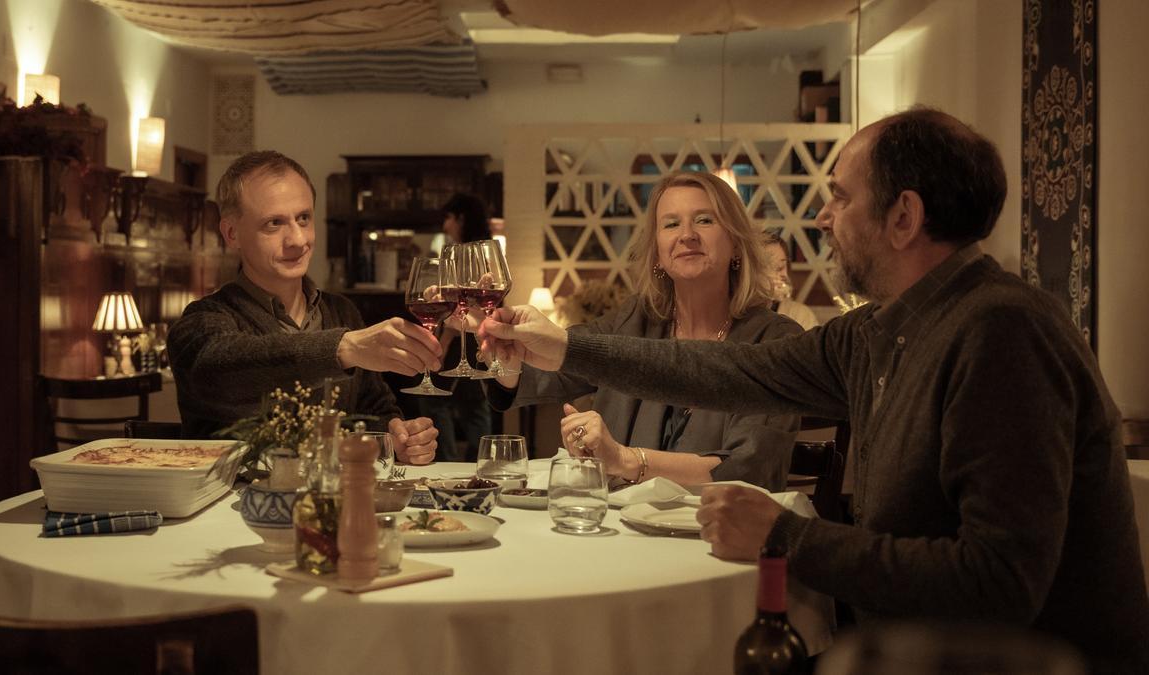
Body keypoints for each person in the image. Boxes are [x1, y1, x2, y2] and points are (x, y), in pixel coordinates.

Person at [478, 108, 1149, 672]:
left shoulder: (1003, 332)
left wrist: (788, 536)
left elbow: (997, 584)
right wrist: (563, 344)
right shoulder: (881, 331)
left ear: (904, 216)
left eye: (841, 196)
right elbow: (722, 371)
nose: (823, 218)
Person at [486, 171, 801, 490]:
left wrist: (624, 459)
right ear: (658, 255)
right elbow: (559, 368)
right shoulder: (636, 319)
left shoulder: (775, 340)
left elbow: (750, 467)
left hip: (718, 530)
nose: (687, 235)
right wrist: (507, 353)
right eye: (671, 223)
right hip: (624, 530)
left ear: (735, 244)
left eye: (704, 220)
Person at [168, 150, 441, 464]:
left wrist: (396, 437)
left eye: (303, 218)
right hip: (232, 509)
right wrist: (342, 348)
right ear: (231, 233)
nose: (297, 240)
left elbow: (373, 412)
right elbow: (222, 372)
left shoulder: (341, 312)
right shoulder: (202, 322)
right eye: (274, 223)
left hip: (331, 504)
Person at [419, 193, 494, 461]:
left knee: (436, 401)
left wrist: (444, 341)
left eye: (448, 218)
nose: (445, 226)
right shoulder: (486, 250)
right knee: (475, 404)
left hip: (464, 337)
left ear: (461, 218)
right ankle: (479, 463)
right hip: (481, 337)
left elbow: (459, 305)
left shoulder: (464, 254)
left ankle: (448, 462)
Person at [762, 232, 819, 330]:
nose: (784, 274)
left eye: (784, 266)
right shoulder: (737, 316)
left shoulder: (801, 315)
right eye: (778, 268)